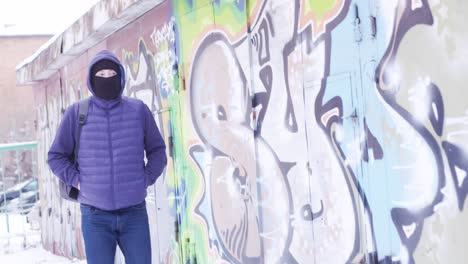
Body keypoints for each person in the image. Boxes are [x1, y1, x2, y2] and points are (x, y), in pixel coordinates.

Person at [47, 50, 167, 264]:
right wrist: (77, 180)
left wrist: (146, 178)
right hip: (95, 216)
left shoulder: (138, 110)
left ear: (120, 76)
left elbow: (157, 150)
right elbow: (56, 156)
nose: (106, 78)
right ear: (91, 79)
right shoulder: (77, 113)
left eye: (111, 73)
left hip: (134, 214)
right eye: (100, 75)